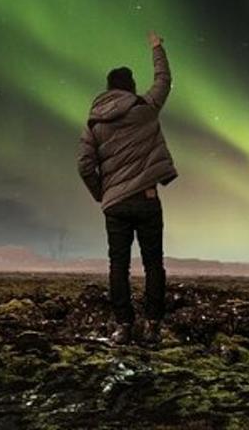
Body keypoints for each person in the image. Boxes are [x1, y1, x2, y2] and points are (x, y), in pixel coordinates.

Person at [78, 30, 177, 345]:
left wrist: (103, 194)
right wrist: (157, 47)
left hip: (115, 206)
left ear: (108, 90)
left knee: (118, 265)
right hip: (147, 200)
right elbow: (164, 80)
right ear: (131, 87)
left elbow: (84, 166)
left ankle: (123, 326)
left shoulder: (94, 124)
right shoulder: (145, 108)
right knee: (153, 264)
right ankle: (152, 327)